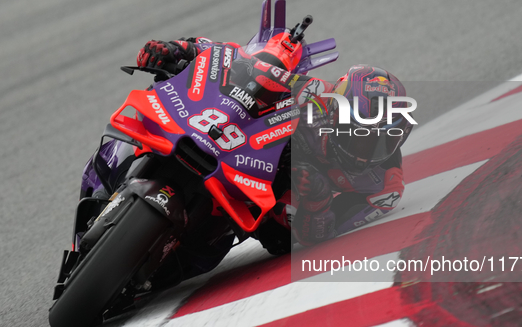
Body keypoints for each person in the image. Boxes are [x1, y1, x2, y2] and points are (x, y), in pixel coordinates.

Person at [135, 39, 414, 255]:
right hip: (235, 145)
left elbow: (322, 235)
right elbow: (240, 58)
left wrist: (318, 202)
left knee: (209, 248)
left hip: (272, 209)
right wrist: (180, 49)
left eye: (380, 143)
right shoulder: (314, 94)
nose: (363, 154)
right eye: (359, 136)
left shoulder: (385, 188)